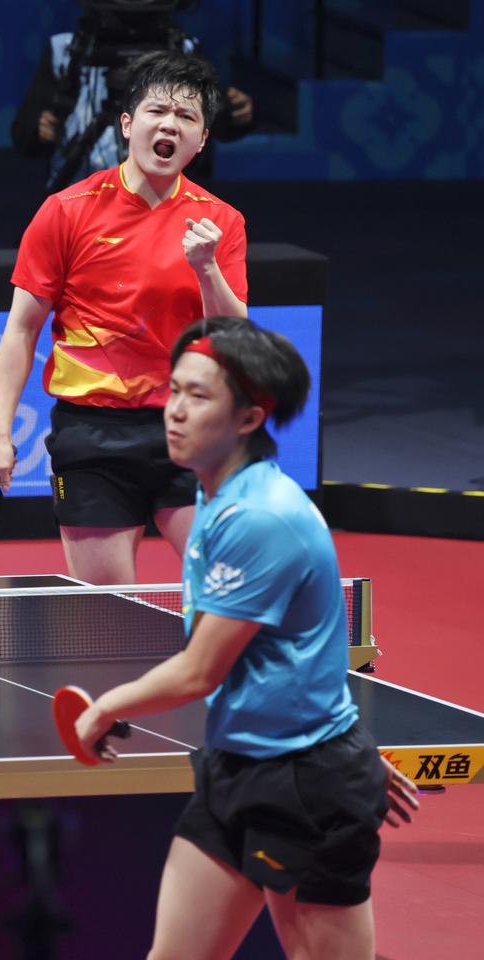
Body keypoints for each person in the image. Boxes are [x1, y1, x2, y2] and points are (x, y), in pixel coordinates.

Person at [74, 315, 420, 960]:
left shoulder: (261, 517)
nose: (175, 411)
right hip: (237, 765)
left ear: (249, 418)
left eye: (198, 396)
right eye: (175, 390)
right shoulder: (216, 494)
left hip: (305, 787)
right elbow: (297, 647)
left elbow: (199, 670)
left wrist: (105, 707)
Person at [0, 51, 247, 583]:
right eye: (157, 111)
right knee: (106, 611)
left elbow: (233, 334)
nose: (169, 124)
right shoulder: (66, 211)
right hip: (92, 437)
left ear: (201, 140)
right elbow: (21, 330)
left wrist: (206, 268)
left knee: (229, 587)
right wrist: (0, 435)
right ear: (127, 124)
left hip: (189, 426)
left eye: (186, 116)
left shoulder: (220, 223)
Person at [11, 3, 254, 191]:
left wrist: (237, 115)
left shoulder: (185, 51)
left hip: (165, 203)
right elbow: (24, 136)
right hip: (80, 197)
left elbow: (216, 126)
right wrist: (40, 130)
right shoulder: (66, 53)